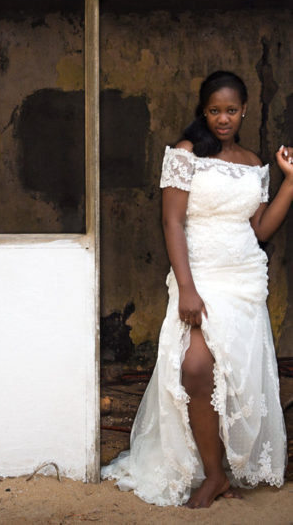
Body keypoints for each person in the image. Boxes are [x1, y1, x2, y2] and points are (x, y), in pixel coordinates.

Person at [102, 71, 293, 508]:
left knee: (236, 375)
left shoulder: (253, 163)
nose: (223, 118)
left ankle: (223, 469)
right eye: (214, 110)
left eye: (231, 110)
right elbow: (171, 221)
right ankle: (213, 473)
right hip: (200, 277)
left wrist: (290, 181)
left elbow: (261, 228)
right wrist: (187, 287)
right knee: (194, 367)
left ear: (244, 111)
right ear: (203, 112)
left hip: (243, 279)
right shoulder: (185, 154)